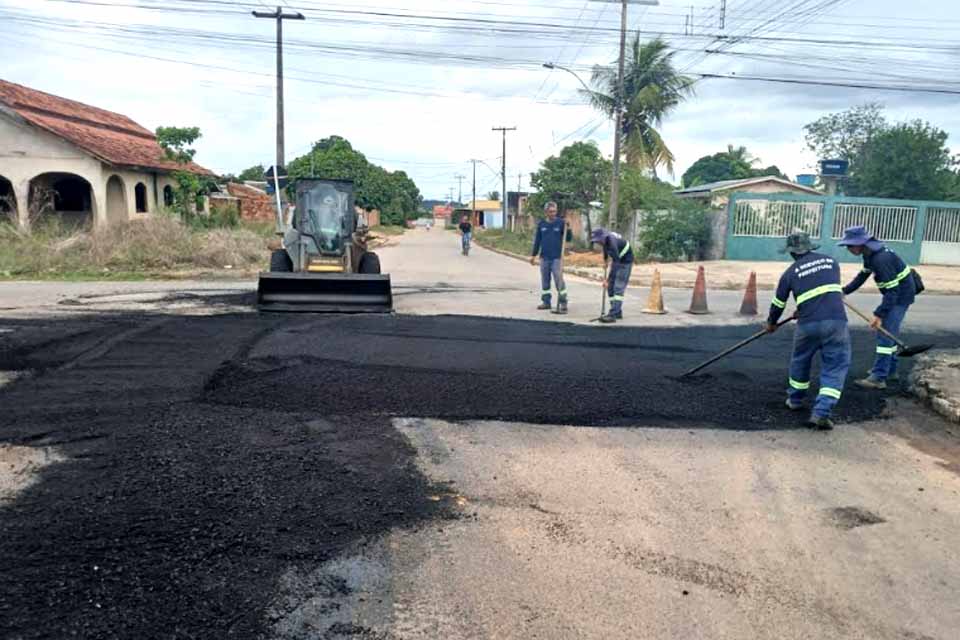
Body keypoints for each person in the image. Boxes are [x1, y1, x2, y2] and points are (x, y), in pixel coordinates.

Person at [766, 231, 851, 431]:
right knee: (835, 366)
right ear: (810, 247)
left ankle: (795, 400)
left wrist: (771, 323)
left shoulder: (789, 273)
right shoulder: (831, 262)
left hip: (808, 324)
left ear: (792, 253)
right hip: (835, 323)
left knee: (800, 360)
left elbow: (778, 303)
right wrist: (803, 307)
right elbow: (823, 290)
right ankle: (821, 412)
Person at [837, 225, 917, 389]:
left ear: (860, 243)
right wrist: (844, 290)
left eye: (850, 245)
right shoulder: (870, 254)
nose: (848, 249)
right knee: (890, 332)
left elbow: (892, 292)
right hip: (896, 294)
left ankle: (879, 377)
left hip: (900, 296)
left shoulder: (881, 259)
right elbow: (862, 276)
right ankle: (890, 370)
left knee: (884, 336)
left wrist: (879, 315)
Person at [530, 201, 572, 313]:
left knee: (559, 279)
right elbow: (537, 241)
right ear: (546, 212)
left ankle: (563, 302)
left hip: (557, 258)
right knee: (545, 280)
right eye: (551, 211)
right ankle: (546, 302)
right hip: (544, 257)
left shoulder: (561, 223)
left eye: (554, 211)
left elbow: (568, 239)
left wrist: (569, 228)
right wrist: (533, 255)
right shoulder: (541, 224)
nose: (553, 213)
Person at [589, 227, 634, 323]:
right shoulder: (605, 241)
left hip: (625, 262)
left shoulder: (612, 243)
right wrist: (605, 261)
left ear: (603, 237)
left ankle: (613, 314)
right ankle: (617, 312)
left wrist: (607, 280)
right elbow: (605, 250)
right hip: (617, 260)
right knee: (610, 288)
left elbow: (617, 264)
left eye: (598, 241)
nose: (597, 243)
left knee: (618, 287)